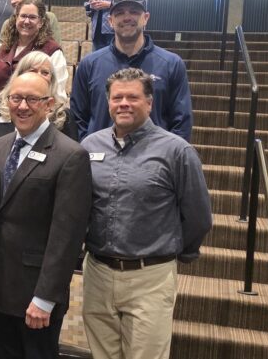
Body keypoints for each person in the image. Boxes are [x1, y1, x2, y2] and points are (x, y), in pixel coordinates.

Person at [80, 68, 212, 359]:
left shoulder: (177, 151)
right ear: (108, 102)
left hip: (150, 276)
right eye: (117, 97)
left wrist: (175, 253)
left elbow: (199, 217)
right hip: (98, 273)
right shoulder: (89, 146)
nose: (123, 103)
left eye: (132, 97)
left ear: (150, 103)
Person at [0, 71, 92, 359]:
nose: (22, 106)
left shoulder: (70, 155)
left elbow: (67, 237)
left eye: (32, 99)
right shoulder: (1, 146)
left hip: (36, 295)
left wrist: (45, 298)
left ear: (50, 104)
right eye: (16, 98)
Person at [70, 0, 192, 141]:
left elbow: (181, 122)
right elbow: (78, 119)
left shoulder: (171, 64)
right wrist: (88, 152)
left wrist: (168, 156)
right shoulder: (89, 64)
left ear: (146, 18)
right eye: (120, 13)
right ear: (110, 21)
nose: (127, 18)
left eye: (134, 12)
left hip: (153, 160)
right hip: (100, 160)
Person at [0, 0, 68, 102]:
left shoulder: (53, 52)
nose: (26, 21)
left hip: (36, 115)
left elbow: (57, 95)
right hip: (1, 112)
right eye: (23, 16)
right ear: (16, 19)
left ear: (40, 22)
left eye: (32, 17)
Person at [0, 51, 64, 144]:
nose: (38, 76)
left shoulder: (61, 114)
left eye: (45, 72)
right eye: (32, 71)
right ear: (19, 75)